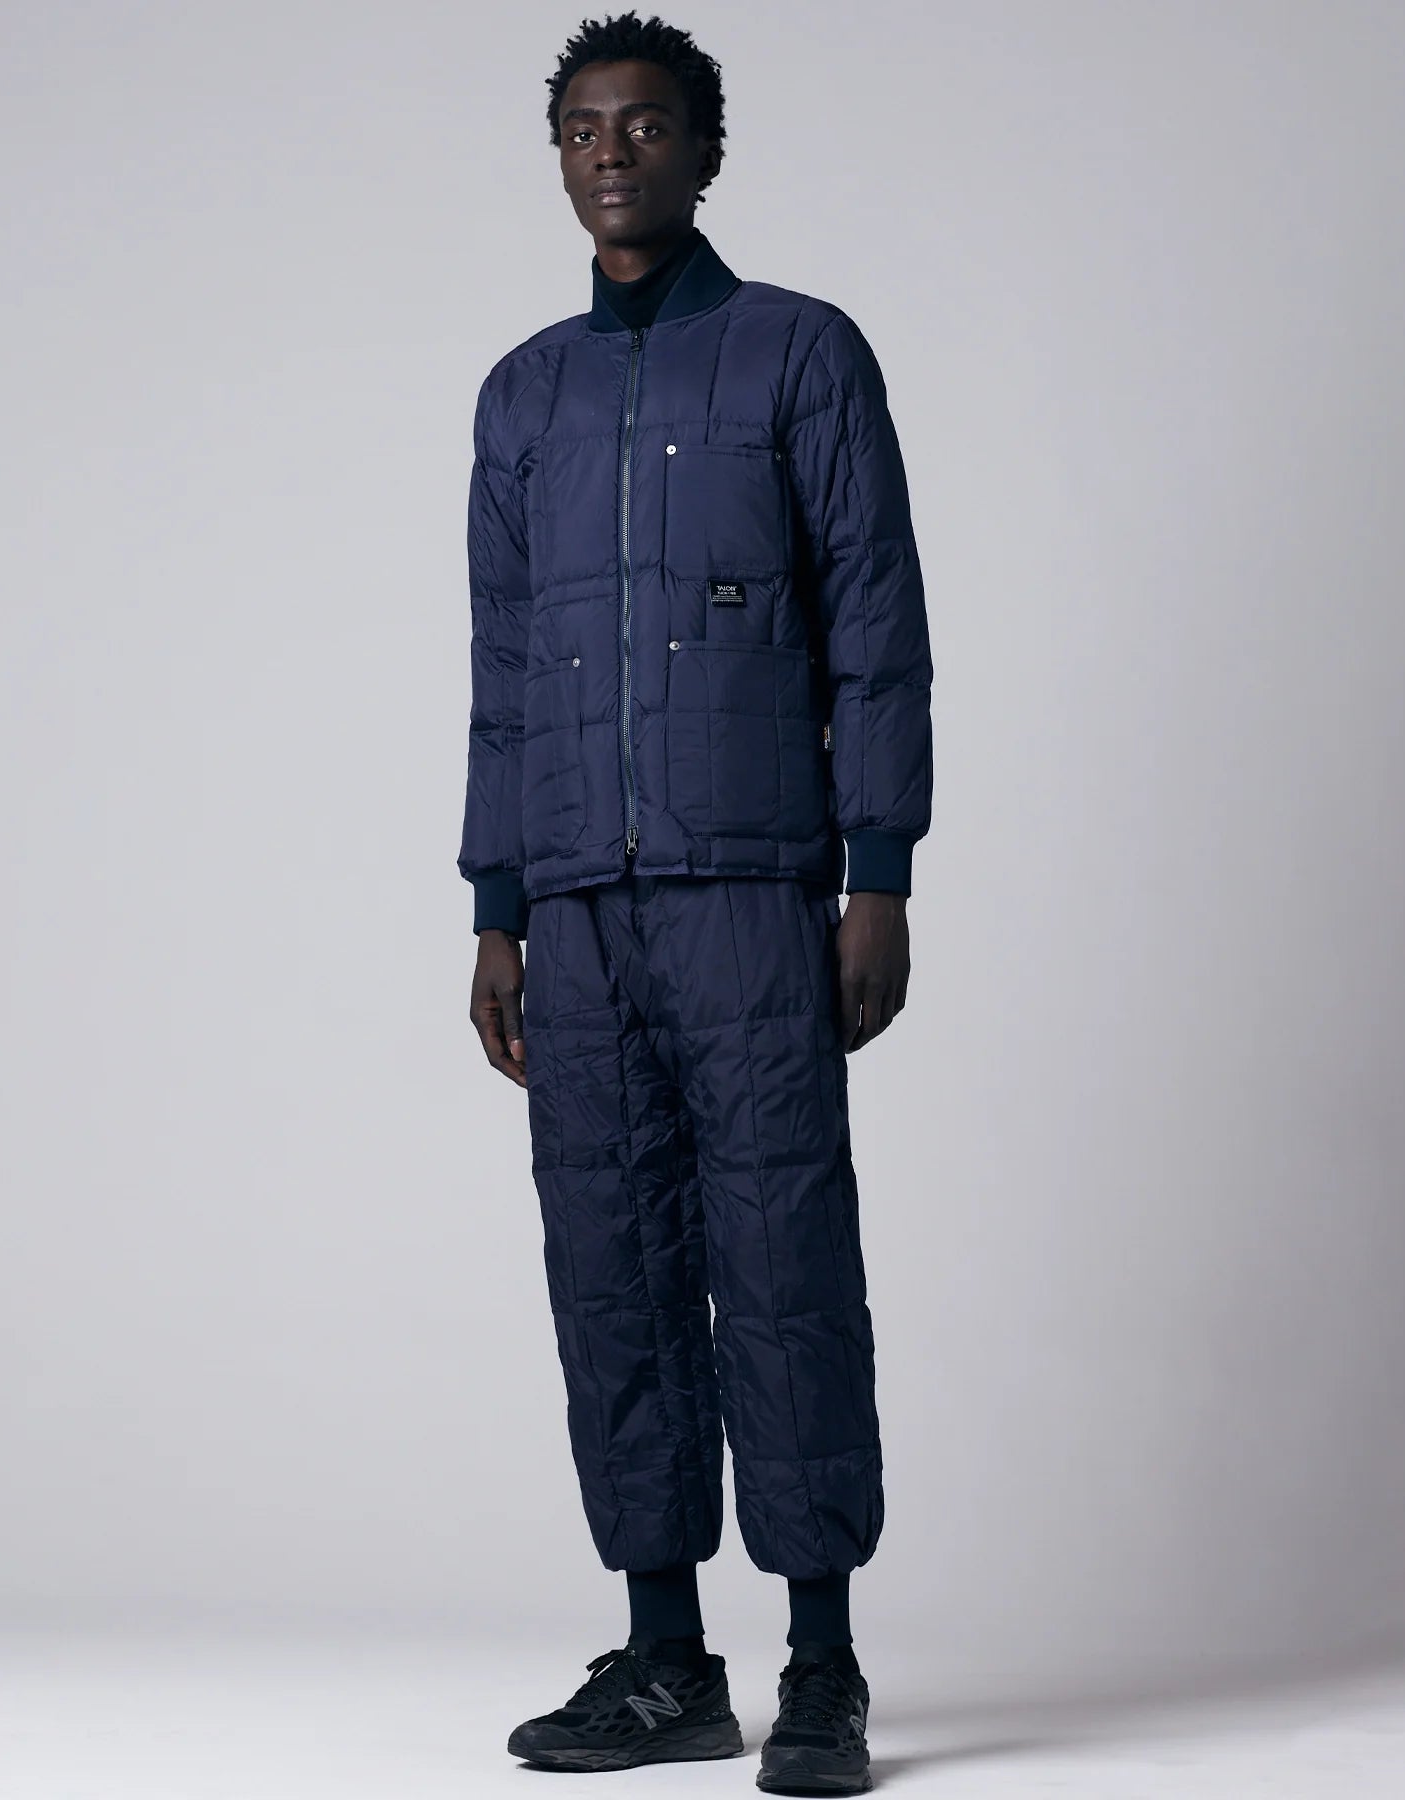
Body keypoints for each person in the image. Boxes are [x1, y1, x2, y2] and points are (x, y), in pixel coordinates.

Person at [458, 12, 932, 1793]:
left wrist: (877, 874)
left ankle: (822, 1665)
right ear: (559, 157)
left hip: (752, 891)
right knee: (612, 1271)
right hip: (577, 904)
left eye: (646, 125)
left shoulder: (803, 354)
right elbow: (504, 672)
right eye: (584, 128)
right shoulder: (523, 394)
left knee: (783, 1259)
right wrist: (496, 903)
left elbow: (876, 628)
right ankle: (667, 1658)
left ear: (704, 150)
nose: (613, 153)